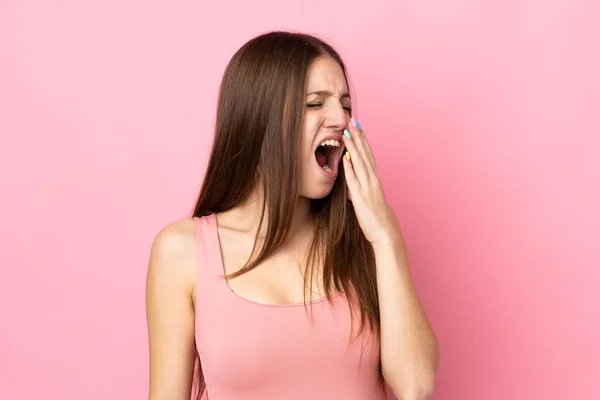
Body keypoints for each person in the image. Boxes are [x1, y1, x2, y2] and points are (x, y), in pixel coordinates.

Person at [145, 30, 439, 400]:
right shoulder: (181, 252)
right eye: (315, 104)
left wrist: (386, 237)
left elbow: (417, 385)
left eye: (345, 105)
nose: (340, 118)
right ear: (260, 120)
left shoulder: (364, 238)